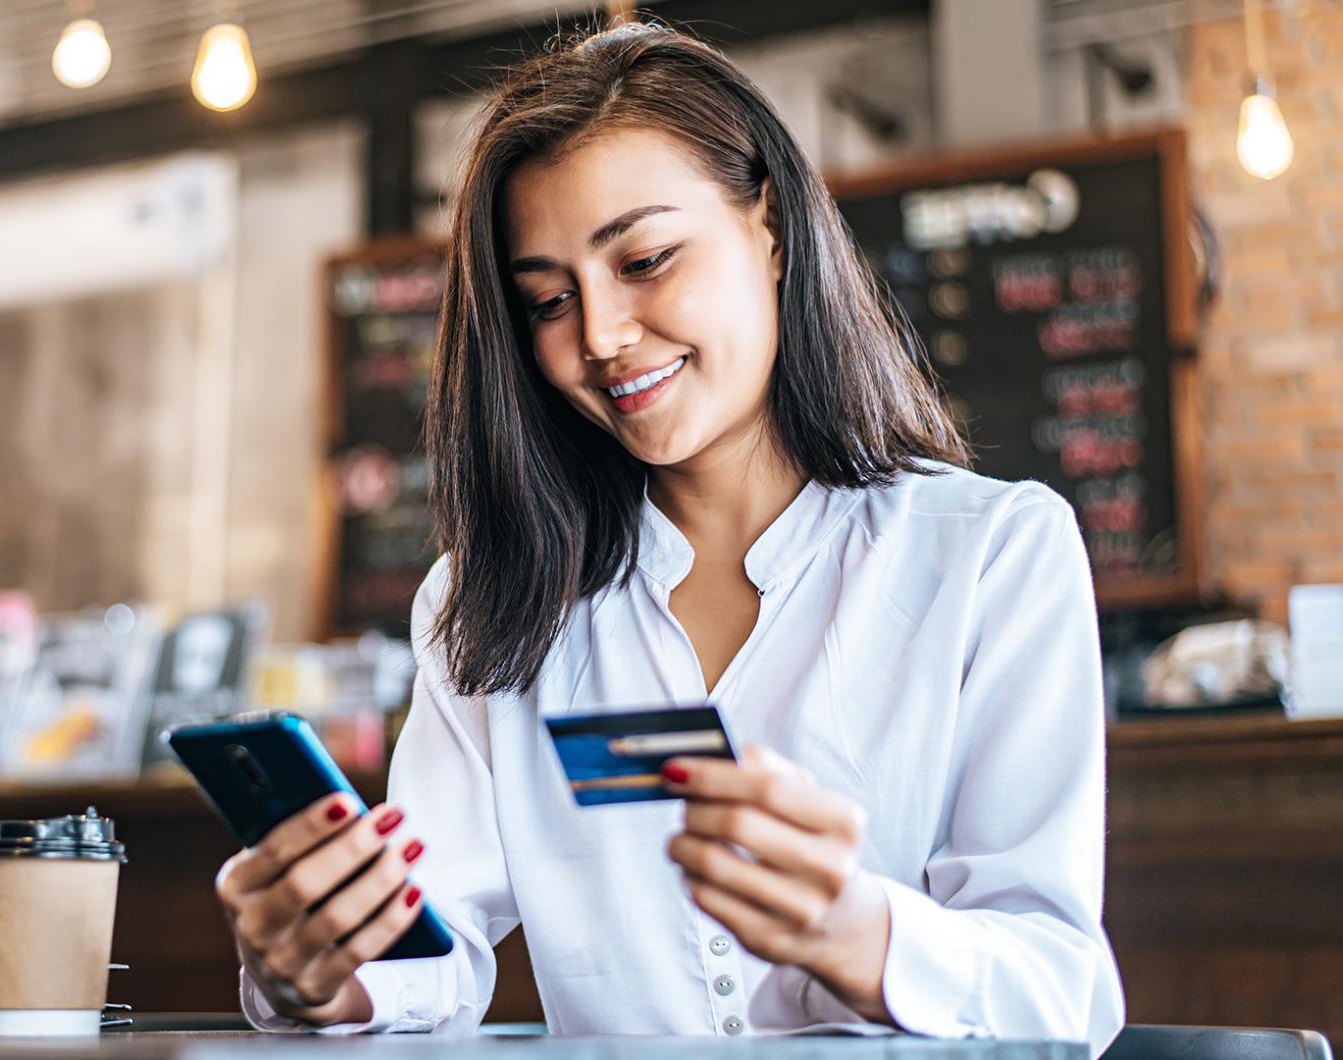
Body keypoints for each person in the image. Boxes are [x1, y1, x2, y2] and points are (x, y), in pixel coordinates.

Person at [214, 21, 1125, 1055]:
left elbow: (1062, 989)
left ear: (771, 227)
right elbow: (433, 952)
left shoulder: (991, 554)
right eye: (550, 300)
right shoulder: (493, 602)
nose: (598, 335)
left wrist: (862, 933)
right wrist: (319, 971)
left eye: (644, 259)